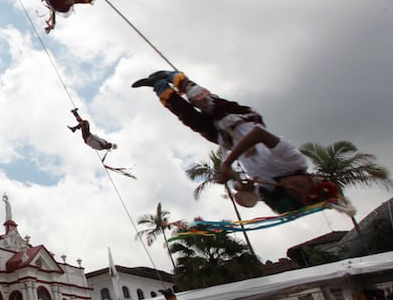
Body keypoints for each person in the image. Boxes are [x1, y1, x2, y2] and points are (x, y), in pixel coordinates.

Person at [132, 70, 338, 213]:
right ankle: (172, 77)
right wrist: (228, 163)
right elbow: (258, 134)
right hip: (239, 119)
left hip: (224, 138)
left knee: (190, 119)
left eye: (293, 191)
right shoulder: (293, 162)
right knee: (199, 98)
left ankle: (159, 85)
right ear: (308, 177)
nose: (293, 186)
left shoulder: (269, 188)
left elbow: (243, 196)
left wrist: (243, 188)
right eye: (301, 184)